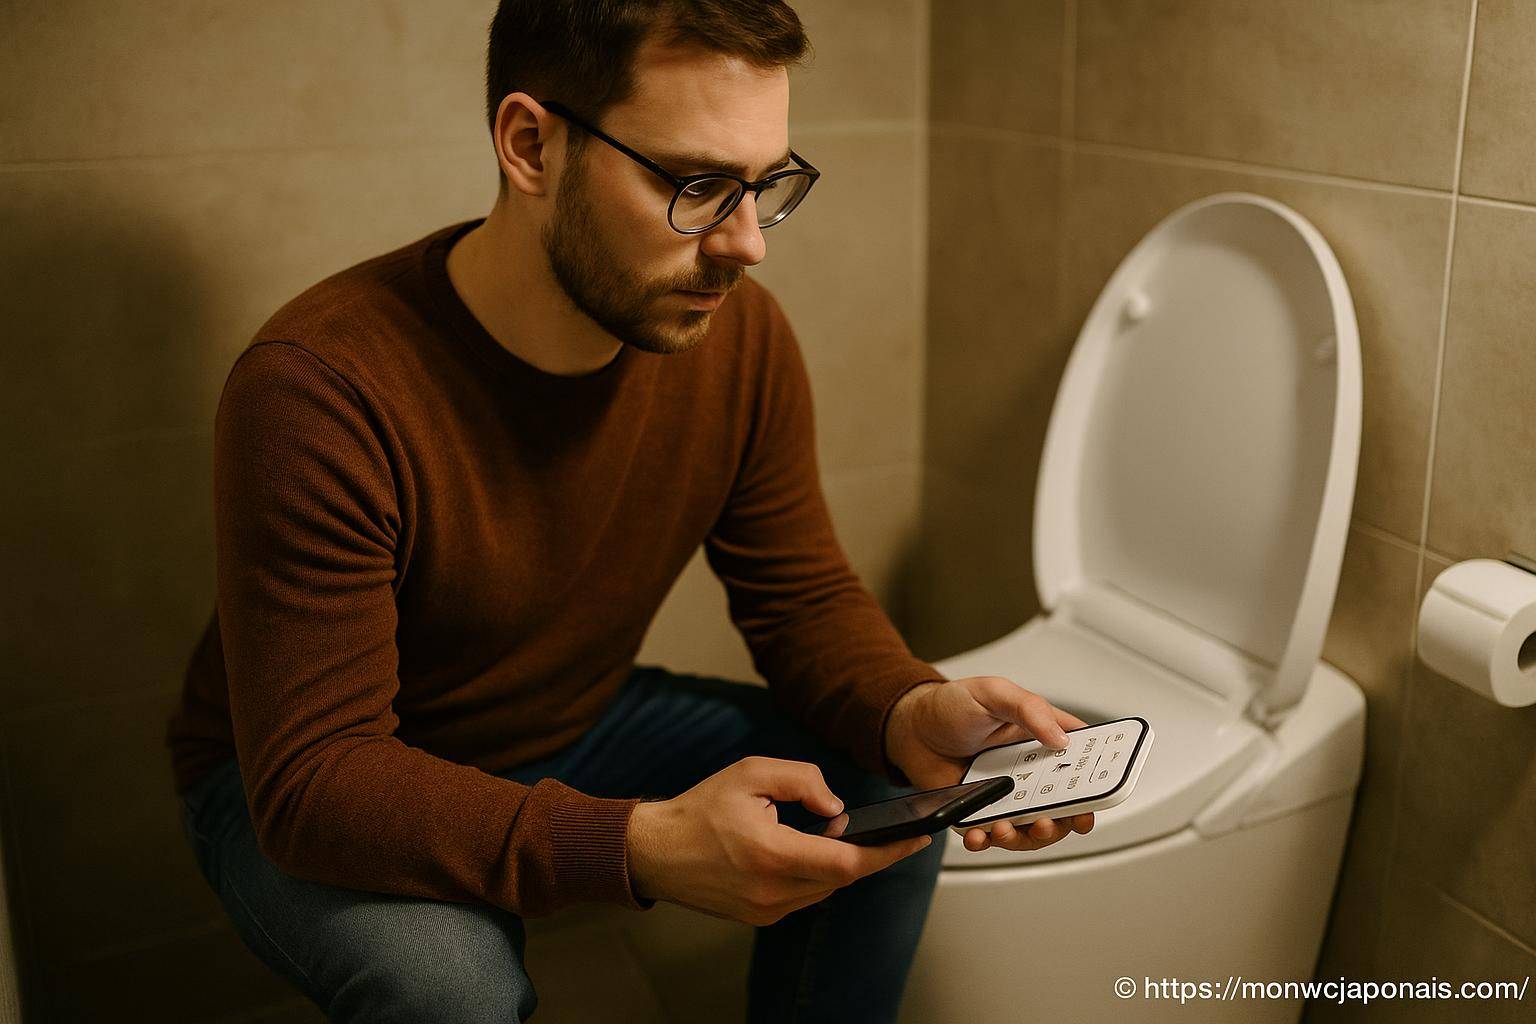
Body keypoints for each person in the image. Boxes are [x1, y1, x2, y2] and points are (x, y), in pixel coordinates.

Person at [164, 2, 1095, 1021]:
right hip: (309, 781)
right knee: (448, 985)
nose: (747, 246)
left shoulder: (739, 341)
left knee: (882, 799)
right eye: (696, 186)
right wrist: (637, 845)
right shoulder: (319, 388)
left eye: (763, 186)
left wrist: (906, 708)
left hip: (571, 720)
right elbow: (319, 780)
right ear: (531, 146)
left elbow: (800, 593)